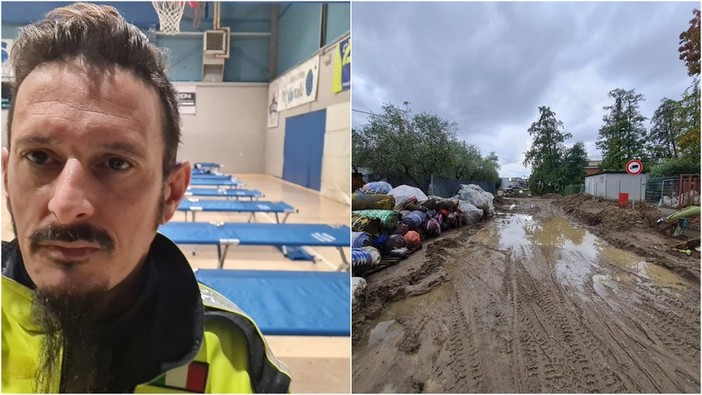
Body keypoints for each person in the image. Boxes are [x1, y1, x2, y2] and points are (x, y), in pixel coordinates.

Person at [1, 3, 291, 393]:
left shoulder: (235, 358)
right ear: (6, 174)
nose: (66, 204)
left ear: (170, 193)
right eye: (39, 157)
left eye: (115, 163)